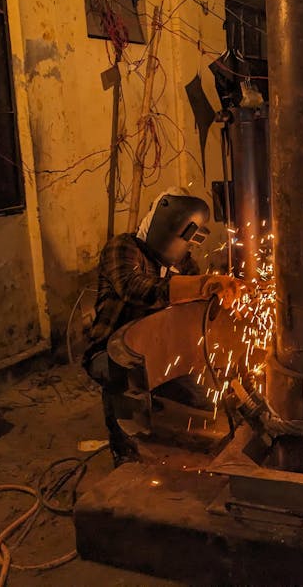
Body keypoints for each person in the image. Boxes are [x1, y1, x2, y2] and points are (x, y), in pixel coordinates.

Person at [83, 188, 245, 464]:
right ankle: (125, 452)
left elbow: (195, 308)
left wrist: (223, 299)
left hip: (165, 354)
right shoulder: (123, 248)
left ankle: (158, 399)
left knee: (207, 400)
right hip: (111, 352)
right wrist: (203, 284)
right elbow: (134, 288)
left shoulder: (183, 263)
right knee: (125, 380)